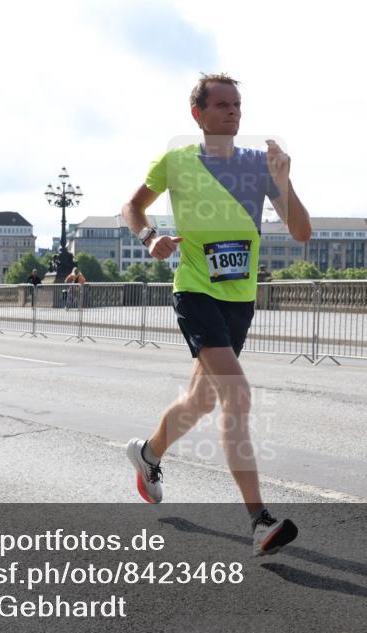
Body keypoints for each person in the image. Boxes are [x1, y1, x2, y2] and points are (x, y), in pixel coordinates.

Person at [121, 72, 311, 556]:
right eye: (222, 104)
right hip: (195, 291)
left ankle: (147, 454)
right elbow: (132, 207)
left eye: (237, 104)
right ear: (198, 114)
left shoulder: (258, 165)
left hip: (239, 299)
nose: (233, 111)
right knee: (236, 393)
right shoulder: (176, 161)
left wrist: (284, 182)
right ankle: (259, 520)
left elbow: (301, 232)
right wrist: (149, 238)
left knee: (201, 400)